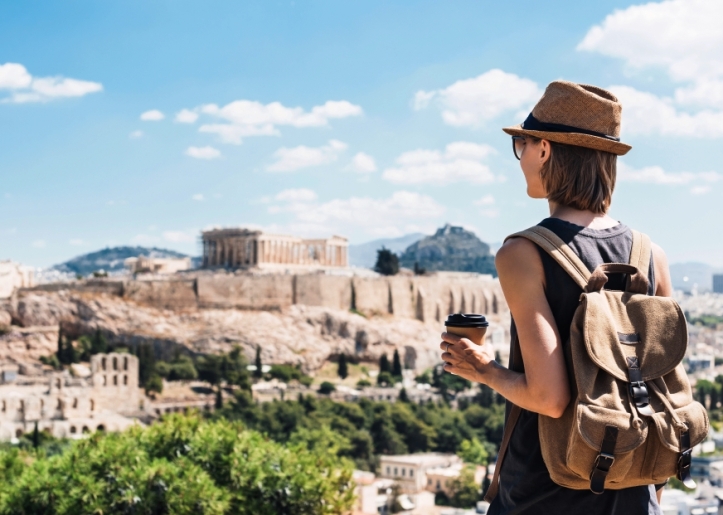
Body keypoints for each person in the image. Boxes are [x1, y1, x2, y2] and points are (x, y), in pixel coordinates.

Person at [440, 81, 670, 514]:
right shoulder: (650, 255)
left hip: (547, 489)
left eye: (521, 145)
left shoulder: (523, 253)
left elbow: (550, 398)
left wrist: (483, 369)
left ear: (544, 149)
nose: (521, 157)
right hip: (635, 488)